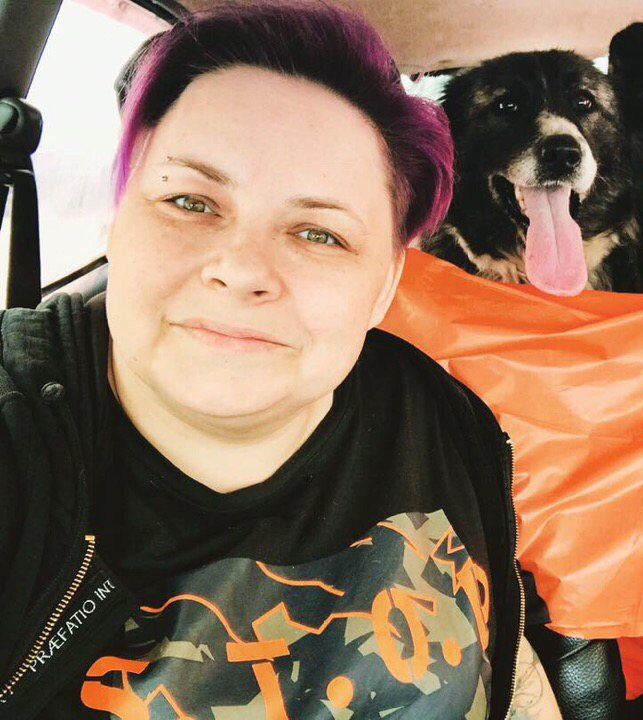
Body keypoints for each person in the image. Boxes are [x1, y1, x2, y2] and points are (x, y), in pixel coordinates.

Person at [0, 3, 576, 717]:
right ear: (117, 224)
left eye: (318, 233)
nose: (242, 270)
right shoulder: (18, 438)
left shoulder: (437, 413)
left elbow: (503, 657)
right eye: (190, 201)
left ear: (384, 287)